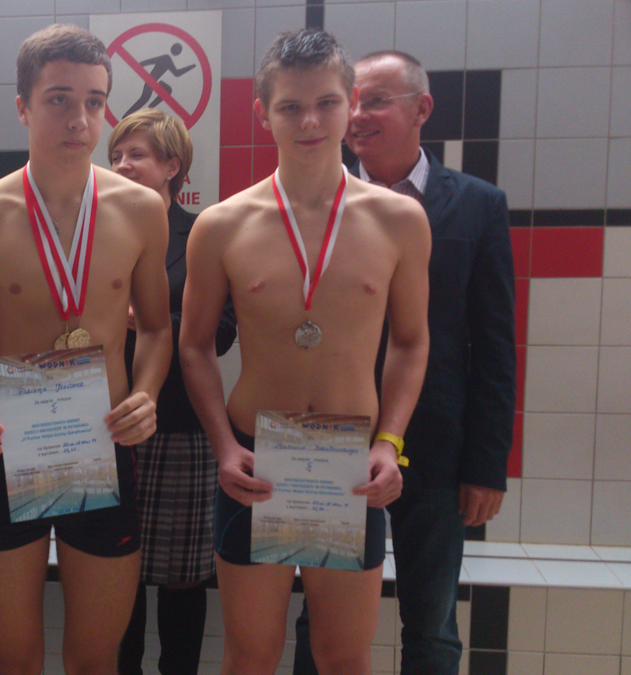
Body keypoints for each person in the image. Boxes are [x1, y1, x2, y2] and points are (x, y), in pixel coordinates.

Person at [179, 30, 431, 675]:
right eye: (290, 106)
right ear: (262, 113)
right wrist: (223, 446)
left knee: (344, 656)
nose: (310, 121)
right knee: (250, 654)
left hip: (350, 462)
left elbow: (410, 341)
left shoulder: (399, 220)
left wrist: (390, 443)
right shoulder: (222, 225)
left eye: (326, 103)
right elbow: (195, 346)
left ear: (351, 105)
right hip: (255, 456)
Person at [0, 23, 173, 675]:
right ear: (22, 106)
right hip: (6, 448)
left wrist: (145, 394)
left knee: (96, 658)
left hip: (102, 442)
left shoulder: (141, 210)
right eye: (59, 99)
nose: (80, 119)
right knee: (12, 658)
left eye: (94, 101)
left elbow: (156, 329)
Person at [292, 50, 515, 675]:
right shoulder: (312, 200)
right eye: (352, 101)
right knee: (322, 616)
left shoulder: (476, 205)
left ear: (422, 109)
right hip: (332, 432)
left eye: (377, 101)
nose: (359, 115)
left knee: (433, 621)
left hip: (436, 440)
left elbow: (494, 344)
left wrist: (487, 464)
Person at [108, 108, 236, 675]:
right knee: (118, 572)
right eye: (115, 156)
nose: (121, 165)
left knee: (183, 578)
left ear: (172, 166)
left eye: (136, 155)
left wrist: (156, 323)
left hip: (181, 422)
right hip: (107, 423)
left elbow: (224, 332)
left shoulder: (203, 232)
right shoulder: (99, 233)